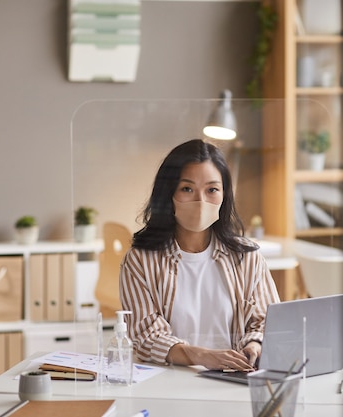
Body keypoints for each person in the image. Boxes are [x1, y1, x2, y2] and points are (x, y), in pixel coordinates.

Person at [119, 138, 280, 371]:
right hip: (168, 382)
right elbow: (145, 337)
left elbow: (266, 322)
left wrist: (255, 345)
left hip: (233, 380)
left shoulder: (247, 257)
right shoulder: (140, 260)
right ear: (168, 194)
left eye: (212, 189)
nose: (201, 201)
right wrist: (202, 356)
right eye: (187, 189)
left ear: (224, 195)